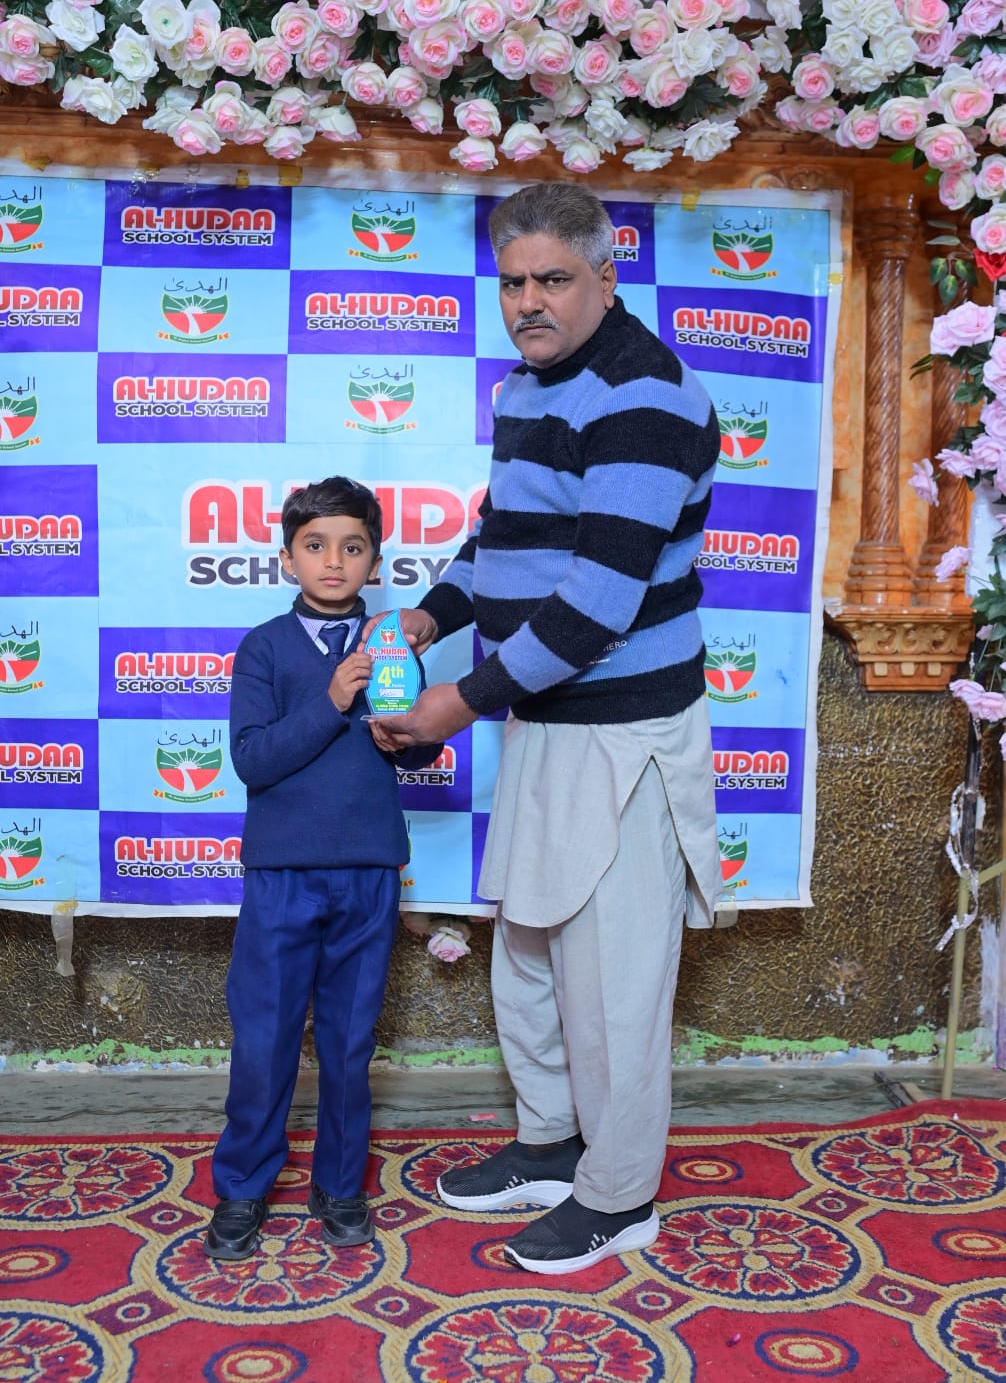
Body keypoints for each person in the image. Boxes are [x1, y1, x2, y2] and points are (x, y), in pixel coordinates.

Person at [371, 181, 724, 1277]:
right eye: (513, 281)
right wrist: (434, 615)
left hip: (622, 728)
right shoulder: (532, 383)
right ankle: (554, 1145)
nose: (528, 301)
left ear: (605, 276)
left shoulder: (643, 395)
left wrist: (455, 702)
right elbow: (503, 535)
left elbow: (594, 605)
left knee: (612, 982)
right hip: (540, 717)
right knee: (527, 954)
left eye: (553, 280)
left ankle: (620, 1199)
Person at [204, 476, 441, 1262]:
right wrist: (331, 701)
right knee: (264, 1039)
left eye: (352, 546)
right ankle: (242, 1188)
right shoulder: (264, 647)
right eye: (315, 545)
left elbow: (420, 751)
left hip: (368, 869)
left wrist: (409, 733)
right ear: (287, 559)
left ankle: (340, 1186)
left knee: (347, 1044)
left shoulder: (391, 645)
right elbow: (252, 759)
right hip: (282, 874)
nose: (333, 561)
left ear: (375, 562)